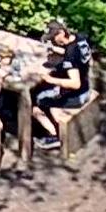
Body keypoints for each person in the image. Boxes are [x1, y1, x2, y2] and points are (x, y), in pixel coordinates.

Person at [30, 20, 93, 150]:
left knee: (35, 102)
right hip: (87, 85)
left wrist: (49, 79)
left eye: (53, 37)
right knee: (46, 89)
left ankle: (53, 137)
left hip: (78, 94)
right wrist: (55, 49)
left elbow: (75, 83)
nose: (52, 40)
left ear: (61, 33)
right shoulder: (79, 39)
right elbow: (76, 55)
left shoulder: (70, 54)